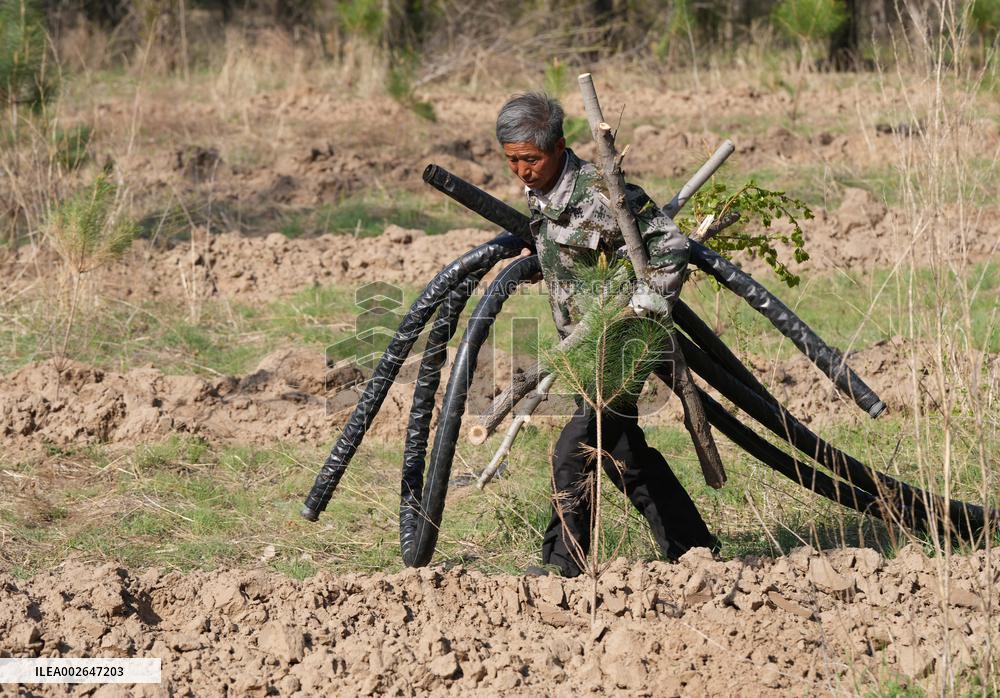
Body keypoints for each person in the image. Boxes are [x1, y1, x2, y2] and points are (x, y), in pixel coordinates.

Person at [495, 92, 718, 577]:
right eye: (512, 161)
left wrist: (643, 303)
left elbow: (669, 246)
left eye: (530, 159)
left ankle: (564, 566)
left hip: (623, 343)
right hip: (581, 346)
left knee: (575, 449)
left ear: (557, 146)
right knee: (625, 456)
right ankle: (694, 548)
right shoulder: (541, 195)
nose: (521, 171)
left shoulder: (601, 191)